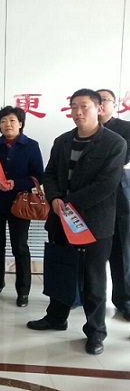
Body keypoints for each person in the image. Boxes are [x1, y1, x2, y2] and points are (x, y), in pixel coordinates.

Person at [27, 89, 126, 356]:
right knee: (61, 271)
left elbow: (106, 184)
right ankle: (56, 317)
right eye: (73, 107)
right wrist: (55, 198)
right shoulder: (62, 141)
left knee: (93, 279)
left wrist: (68, 203)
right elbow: (49, 174)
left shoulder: (114, 143)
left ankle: (95, 332)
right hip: (61, 219)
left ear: (99, 108)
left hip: (95, 223)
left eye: (84, 106)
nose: (78, 112)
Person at [0, 106, 44, 307]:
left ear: (20, 123)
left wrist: (17, 183)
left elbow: (38, 176)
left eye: (12, 120)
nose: (8, 124)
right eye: (3, 121)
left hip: (20, 203)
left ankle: (23, 291)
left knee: (20, 247)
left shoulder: (31, 146)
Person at [97, 88, 130, 321]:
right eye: (96, 100)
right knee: (89, 254)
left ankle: (124, 300)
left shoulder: (126, 129)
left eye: (105, 100)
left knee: (122, 252)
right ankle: (84, 297)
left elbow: (123, 160)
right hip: (90, 200)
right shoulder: (82, 131)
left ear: (114, 104)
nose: (100, 104)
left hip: (120, 198)